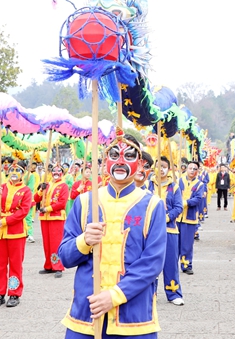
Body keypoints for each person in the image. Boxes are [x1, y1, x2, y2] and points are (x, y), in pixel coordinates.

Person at [58, 136, 166, 338]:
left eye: (129, 155)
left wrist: (114, 296)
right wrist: (84, 241)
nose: (120, 161)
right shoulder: (84, 202)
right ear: (105, 159)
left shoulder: (153, 205)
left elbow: (153, 263)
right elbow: (64, 256)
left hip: (134, 318)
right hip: (86, 314)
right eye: (114, 155)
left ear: (141, 163)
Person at [0, 159, 33, 308]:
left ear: (23, 173)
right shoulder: (1, 187)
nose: (14, 174)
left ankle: (14, 293)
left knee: (15, 263)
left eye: (18, 171)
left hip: (16, 231)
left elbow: (23, 211)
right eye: (12, 171)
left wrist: (7, 221)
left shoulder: (26, 191)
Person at [149, 156, 185, 306]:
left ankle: (173, 292)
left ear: (169, 168)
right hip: (151, 230)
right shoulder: (147, 185)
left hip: (170, 229)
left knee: (170, 262)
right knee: (150, 262)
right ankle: (150, 294)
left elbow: (179, 207)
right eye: (158, 166)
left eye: (164, 166)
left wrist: (167, 217)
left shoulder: (174, 187)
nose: (161, 169)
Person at [35, 163, 69, 278]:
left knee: (56, 243)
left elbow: (62, 203)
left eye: (58, 171)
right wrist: (40, 190)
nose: (56, 173)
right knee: (47, 243)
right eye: (54, 171)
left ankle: (58, 266)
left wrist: (47, 209)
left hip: (56, 217)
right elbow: (36, 199)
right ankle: (49, 265)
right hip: (44, 218)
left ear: (62, 173)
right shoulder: (47, 184)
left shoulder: (63, 186)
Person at [178, 159, 205, 275]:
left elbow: (198, 199)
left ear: (198, 171)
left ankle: (186, 265)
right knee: (174, 244)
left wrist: (184, 203)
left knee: (187, 244)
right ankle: (171, 265)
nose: (192, 171)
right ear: (186, 169)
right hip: (177, 217)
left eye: (195, 169)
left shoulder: (200, 184)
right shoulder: (179, 181)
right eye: (190, 168)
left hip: (190, 218)